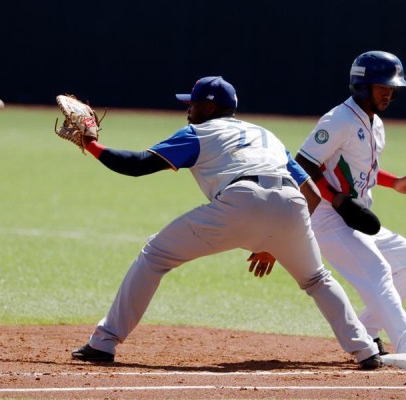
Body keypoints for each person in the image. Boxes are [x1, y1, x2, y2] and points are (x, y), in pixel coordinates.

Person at [70, 76, 383, 369]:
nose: (188, 110)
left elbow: (137, 165)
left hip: (241, 200)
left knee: (155, 255)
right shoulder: (268, 136)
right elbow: (312, 195)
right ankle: (365, 349)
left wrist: (90, 144)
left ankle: (104, 342)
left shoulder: (199, 133)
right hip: (292, 204)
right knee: (317, 279)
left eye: (192, 104)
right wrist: (277, 244)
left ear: (208, 108)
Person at [291, 51, 406, 355]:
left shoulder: (375, 124)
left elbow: (365, 171)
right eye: (382, 86)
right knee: (377, 270)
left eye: (392, 87)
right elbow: (301, 164)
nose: (388, 92)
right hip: (326, 217)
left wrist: (395, 182)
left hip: (354, 217)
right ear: (362, 85)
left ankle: (364, 332)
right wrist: (334, 197)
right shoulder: (339, 120)